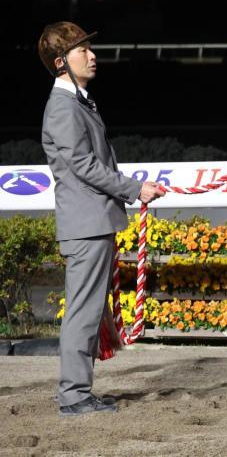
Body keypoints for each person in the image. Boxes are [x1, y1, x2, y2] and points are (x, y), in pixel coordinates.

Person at [38, 22, 167, 417]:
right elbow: (83, 165)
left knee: (90, 310)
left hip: (92, 222)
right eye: (83, 51)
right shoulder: (63, 106)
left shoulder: (78, 101)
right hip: (86, 224)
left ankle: (78, 391)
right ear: (62, 62)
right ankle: (74, 395)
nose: (93, 56)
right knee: (83, 311)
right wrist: (134, 188)